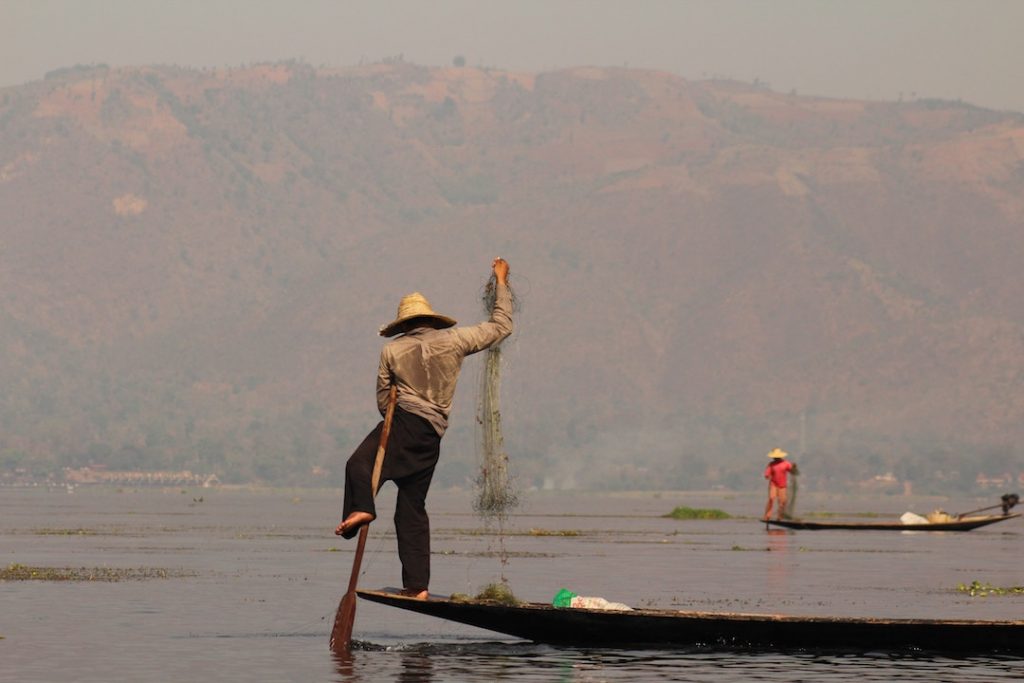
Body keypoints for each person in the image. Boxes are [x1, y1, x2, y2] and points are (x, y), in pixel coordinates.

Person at [334, 258, 513, 599]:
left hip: (402, 424)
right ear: (431, 320)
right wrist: (501, 281)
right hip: (431, 437)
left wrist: (395, 419)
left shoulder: (393, 349)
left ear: (404, 325)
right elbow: (501, 325)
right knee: (411, 507)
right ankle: (417, 586)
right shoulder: (457, 340)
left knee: (358, 464)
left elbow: (384, 400)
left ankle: (363, 508)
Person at [763, 447, 797, 521]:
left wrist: (793, 467)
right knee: (771, 499)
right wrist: (767, 476)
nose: (776, 458)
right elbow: (767, 474)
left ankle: (780, 516)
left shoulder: (786, 463)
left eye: (777, 457)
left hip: (782, 486)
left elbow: (791, 471)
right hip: (773, 484)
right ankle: (767, 516)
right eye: (775, 457)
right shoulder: (771, 464)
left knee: (782, 501)